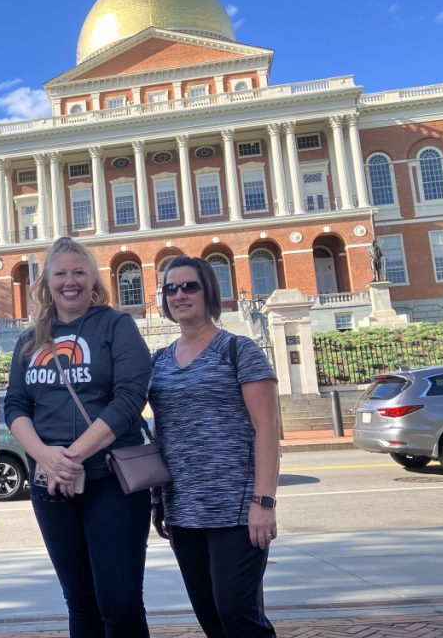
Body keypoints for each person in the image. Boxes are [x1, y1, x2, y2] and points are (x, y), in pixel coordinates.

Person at [4, 236, 152, 638]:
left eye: (79, 272)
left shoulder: (116, 326)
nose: (70, 282)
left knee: (120, 600)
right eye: (60, 274)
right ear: (46, 283)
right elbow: (15, 405)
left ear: (93, 280)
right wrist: (45, 457)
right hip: (51, 484)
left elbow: (129, 399)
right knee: (80, 601)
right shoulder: (30, 340)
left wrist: (69, 457)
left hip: (112, 480)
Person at [148, 255, 280, 638]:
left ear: (209, 291)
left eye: (189, 286)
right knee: (210, 617)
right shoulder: (159, 361)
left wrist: (264, 502)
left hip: (236, 509)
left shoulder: (239, 350)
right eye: (170, 289)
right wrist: (158, 501)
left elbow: (268, 428)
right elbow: (160, 432)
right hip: (182, 509)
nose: (179, 295)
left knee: (238, 613)